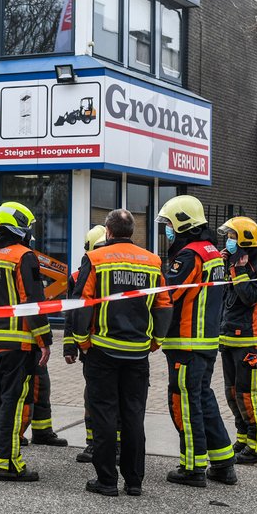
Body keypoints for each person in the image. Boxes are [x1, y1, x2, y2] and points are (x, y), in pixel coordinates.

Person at [68, 210, 172, 496]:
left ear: (108, 231)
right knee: (133, 416)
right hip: (138, 353)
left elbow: (82, 303)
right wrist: (156, 340)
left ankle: (107, 481)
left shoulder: (95, 258)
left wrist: (81, 341)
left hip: (103, 350)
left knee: (104, 415)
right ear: (132, 232)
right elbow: (164, 305)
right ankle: (135, 481)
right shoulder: (152, 261)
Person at [156, 195, 238, 488]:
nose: (166, 231)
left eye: (168, 225)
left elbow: (169, 295)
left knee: (185, 402)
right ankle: (223, 462)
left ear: (181, 223)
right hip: (205, 341)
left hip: (186, 342)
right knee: (203, 397)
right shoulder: (212, 252)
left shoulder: (189, 255)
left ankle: (192, 466)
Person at [0, 202, 52, 482]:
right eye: (29, 227)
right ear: (19, 227)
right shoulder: (24, 257)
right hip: (18, 345)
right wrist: (44, 340)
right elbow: (32, 302)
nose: (31, 233)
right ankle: (9, 464)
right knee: (14, 402)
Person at [218, 216, 257, 464]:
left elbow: (251, 297)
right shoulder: (232, 264)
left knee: (250, 394)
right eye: (227, 237)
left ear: (244, 240)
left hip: (249, 342)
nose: (228, 241)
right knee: (233, 394)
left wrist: (239, 270)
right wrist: (227, 266)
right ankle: (243, 438)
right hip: (228, 339)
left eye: (232, 237)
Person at [65, 224, 108, 464]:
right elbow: (72, 314)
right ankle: (92, 443)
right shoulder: (77, 276)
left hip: (104, 345)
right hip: (90, 346)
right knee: (91, 397)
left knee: (109, 399)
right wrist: (70, 346)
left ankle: (114, 444)